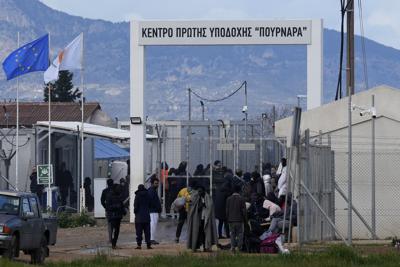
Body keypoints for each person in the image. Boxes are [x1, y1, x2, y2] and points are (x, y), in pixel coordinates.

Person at [187, 186, 218, 252]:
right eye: (198, 191)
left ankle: (206, 247)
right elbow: (193, 207)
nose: (199, 192)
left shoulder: (208, 198)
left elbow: (210, 207)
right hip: (198, 219)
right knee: (198, 233)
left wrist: (205, 205)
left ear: (204, 191)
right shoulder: (196, 197)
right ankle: (196, 247)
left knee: (206, 233)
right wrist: (200, 206)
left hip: (206, 219)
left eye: (200, 191)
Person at [226, 185, 247, 252]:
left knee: (232, 234)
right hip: (239, 220)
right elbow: (244, 211)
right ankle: (239, 247)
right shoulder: (242, 199)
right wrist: (245, 220)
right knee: (240, 234)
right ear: (239, 190)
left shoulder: (228, 199)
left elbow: (227, 210)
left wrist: (227, 219)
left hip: (231, 220)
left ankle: (232, 247)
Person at [106, 184, 126, 249]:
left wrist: (123, 211)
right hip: (112, 216)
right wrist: (116, 206)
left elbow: (121, 204)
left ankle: (114, 243)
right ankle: (112, 243)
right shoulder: (109, 196)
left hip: (118, 216)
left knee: (117, 230)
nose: (119, 190)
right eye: (118, 189)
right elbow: (108, 207)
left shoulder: (119, 196)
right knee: (112, 230)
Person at [134, 184, 152, 249]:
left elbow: (135, 206)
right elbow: (150, 204)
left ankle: (139, 245)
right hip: (147, 216)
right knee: (147, 232)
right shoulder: (148, 195)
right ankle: (148, 245)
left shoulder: (137, 196)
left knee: (139, 232)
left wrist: (135, 212)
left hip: (139, 217)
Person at [148, 177, 162, 245]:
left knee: (153, 225)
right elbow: (152, 202)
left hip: (153, 211)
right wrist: (157, 207)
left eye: (157, 183)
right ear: (152, 183)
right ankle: (151, 239)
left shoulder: (152, 190)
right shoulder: (151, 191)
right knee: (152, 225)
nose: (157, 185)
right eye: (156, 183)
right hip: (153, 211)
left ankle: (151, 238)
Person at [101, 178, 114, 243]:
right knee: (116, 225)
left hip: (108, 210)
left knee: (109, 224)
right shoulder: (115, 190)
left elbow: (102, 201)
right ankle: (114, 238)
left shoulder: (105, 191)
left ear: (107, 184)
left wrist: (105, 207)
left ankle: (110, 239)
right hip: (116, 210)